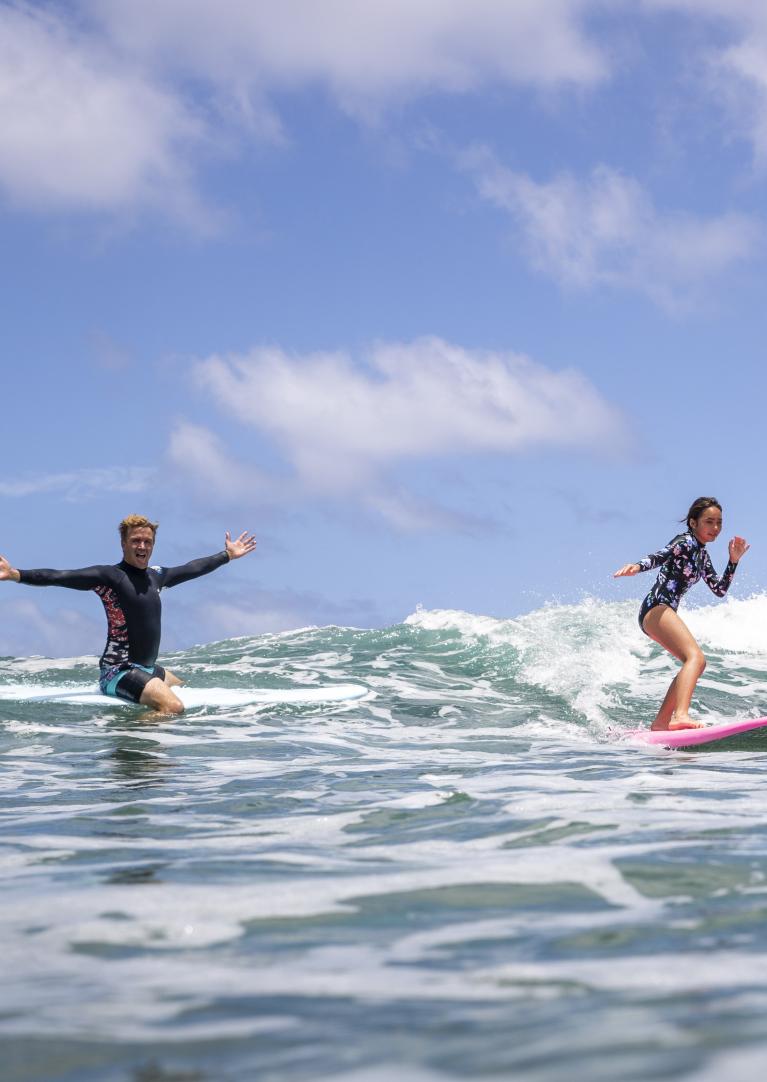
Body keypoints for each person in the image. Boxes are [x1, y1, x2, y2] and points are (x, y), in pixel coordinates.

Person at [0, 515, 256, 715]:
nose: (142, 546)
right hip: (118, 670)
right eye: (135, 541)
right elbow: (59, 576)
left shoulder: (156, 575)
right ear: (123, 544)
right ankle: (131, 737)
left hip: (147, 668)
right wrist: (16, 574)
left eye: (147, 542)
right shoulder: (110, 577)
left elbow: (192, 568)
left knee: (182, 686)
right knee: (174, 708)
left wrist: (227, 555)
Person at [614, 497, 749, 731]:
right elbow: (661, 555)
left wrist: (733, 562)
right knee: (696, 658)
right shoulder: (685, 542)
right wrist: (637, 566)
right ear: (693, 522)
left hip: (663, 610)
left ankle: (660, 723)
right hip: (657, 605)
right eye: (709, 521)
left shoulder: (702, 555)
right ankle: (680, 716)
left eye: (719, 523)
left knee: (694, 663)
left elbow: (719, 590)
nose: (715, 528)